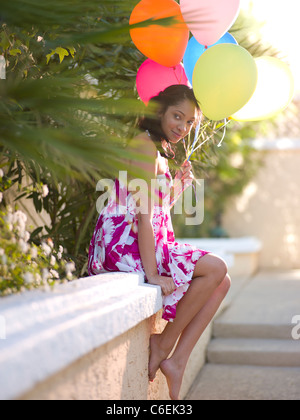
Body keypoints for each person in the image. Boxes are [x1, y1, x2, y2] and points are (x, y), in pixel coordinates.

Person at [88, 85, 231, 400]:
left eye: (190, 122)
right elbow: (140, 216)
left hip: (141, 238)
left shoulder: (159, 151)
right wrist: (152, 274)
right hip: (125, 244)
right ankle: (164, 345)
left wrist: (177, 187)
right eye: (177, 116)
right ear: (159, 112)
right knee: (216, 269)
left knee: (221, 281)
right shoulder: (143, 146)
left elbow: (156, 211)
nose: (183, 126)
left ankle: (176, 361)